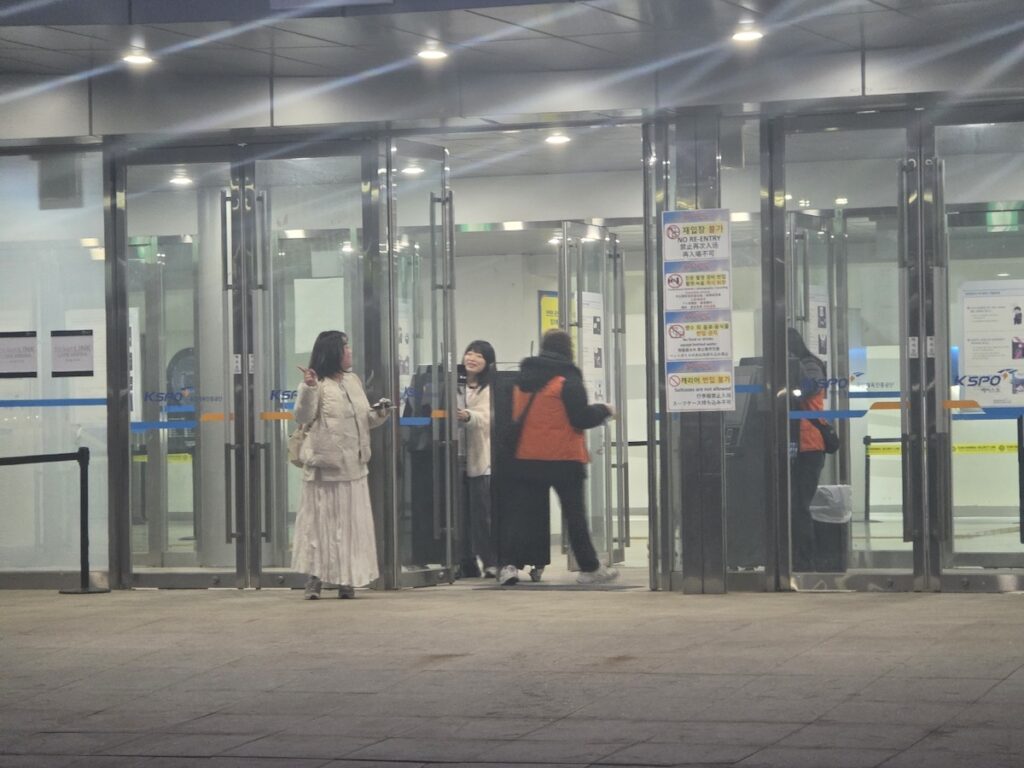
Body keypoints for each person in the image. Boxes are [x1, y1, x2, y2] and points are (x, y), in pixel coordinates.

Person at [498, 329, 618, 586]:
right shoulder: (566, 379)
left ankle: (508, 565)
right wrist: (604, 410)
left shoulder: (522, 380)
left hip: (527, 458)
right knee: (575, 516)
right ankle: (590, 568)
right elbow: (580, 417)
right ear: (568, 349)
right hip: (564, 458)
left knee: (521, 516)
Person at [292, 330, 392, 599]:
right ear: (332, 353)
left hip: (355, 466)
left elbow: (364, 420)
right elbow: (302, 415)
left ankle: (346, 579)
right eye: (345, 348)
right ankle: (315, 579)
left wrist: (380, 413)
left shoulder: (353, 381)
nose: (349, 352)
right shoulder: (318, 383)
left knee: (349, 528)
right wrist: (309, 388)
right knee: (320, 526)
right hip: (325, 468)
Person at [457, 340, 497, 579]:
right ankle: (465, 562)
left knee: (482, 514)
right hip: (454, 456)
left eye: (478, 356)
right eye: (469, 353)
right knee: (459, 515)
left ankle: (490, 561)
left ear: (487, 363)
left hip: (480, 459)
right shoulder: (455, 385)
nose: (471, 358)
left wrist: (468, 416)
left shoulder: (490, 389)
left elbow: (488, 417)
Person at [788, 327, 827, 573]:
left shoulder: (810, 364)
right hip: (792, 445)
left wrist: (791, 363)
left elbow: (809, 387)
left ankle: (805, 561)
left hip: (809, 446)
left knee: (798, 505)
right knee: (790, 504)